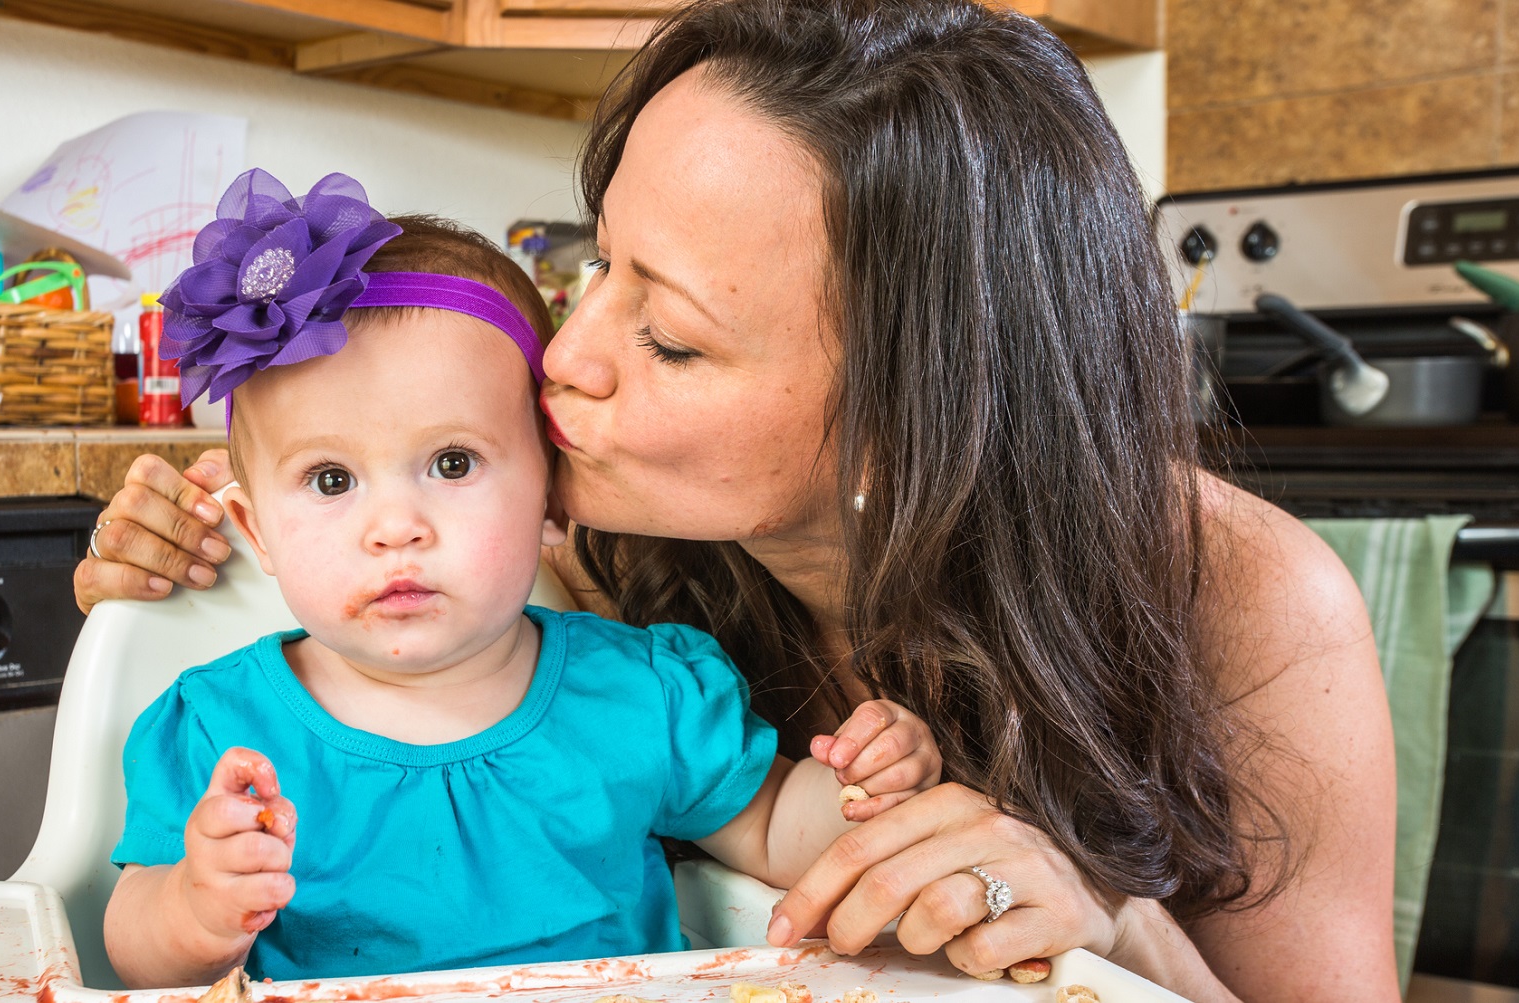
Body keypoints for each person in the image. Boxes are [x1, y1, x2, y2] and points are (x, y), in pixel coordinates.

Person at [76, 2, 1398, 999]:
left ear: (913, 410)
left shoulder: (1251, 603)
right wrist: (188, 562)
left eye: (673, 339)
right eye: (597, 265)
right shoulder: (591, 548)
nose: (567, 352)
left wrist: (1113, 922)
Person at [100, 176, 944, 989]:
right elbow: (130, 948)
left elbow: (771, 831)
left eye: (452, 462)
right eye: (331, 480)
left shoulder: (642, 692)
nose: (396, 525)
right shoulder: (219, 726)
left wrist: (862, 794)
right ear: (256, 531)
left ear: (552, 492)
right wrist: (193, 907)